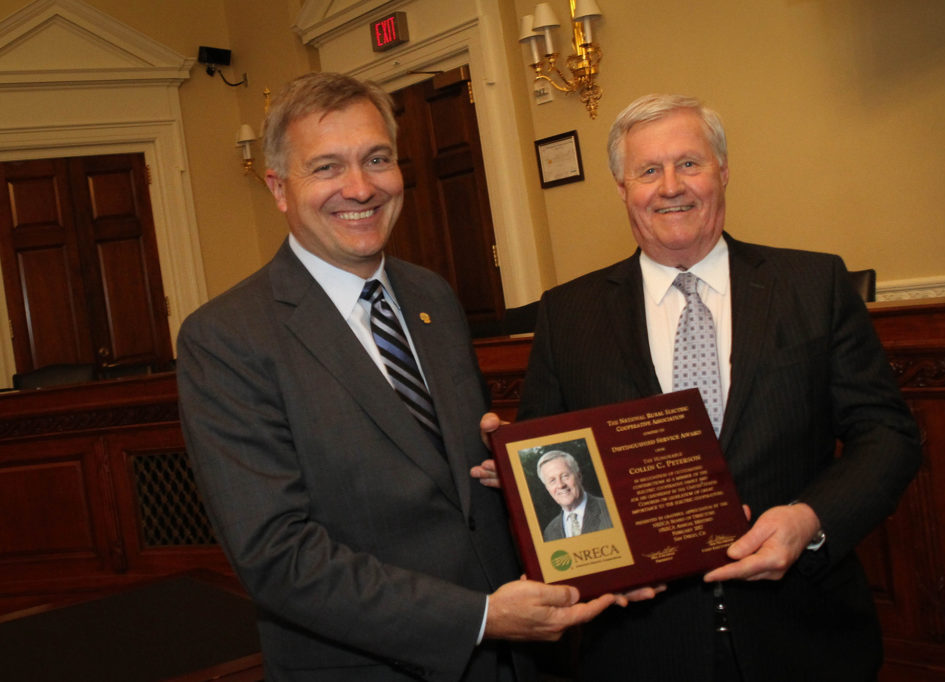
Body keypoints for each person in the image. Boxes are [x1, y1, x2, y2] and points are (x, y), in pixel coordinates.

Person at [176, 72, 635, 682]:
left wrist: (519, 476)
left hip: (520, 658)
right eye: (327, 168)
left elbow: (454, 483)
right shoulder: (227, 338)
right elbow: (277, 556)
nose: (360, 187)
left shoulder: (432, 297)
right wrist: (478, 617)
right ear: (279, 189)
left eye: (377, 159)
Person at [479, 93, 921, 681]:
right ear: (621, 188)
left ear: (723, 172)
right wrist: (512, 467)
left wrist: (810, 519)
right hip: (642, 644)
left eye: (689, 163)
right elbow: (554, 462)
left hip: (803, 631)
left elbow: (887, 434)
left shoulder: (814, 285)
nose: (670, 186)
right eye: (647, 170)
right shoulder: (567, 316)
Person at [535, 450, 611, 540]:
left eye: (565, 476)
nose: (560, 485)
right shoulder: (550, 532)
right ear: (547, 488)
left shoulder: (610, 509)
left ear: (579, 476)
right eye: (552, 480)